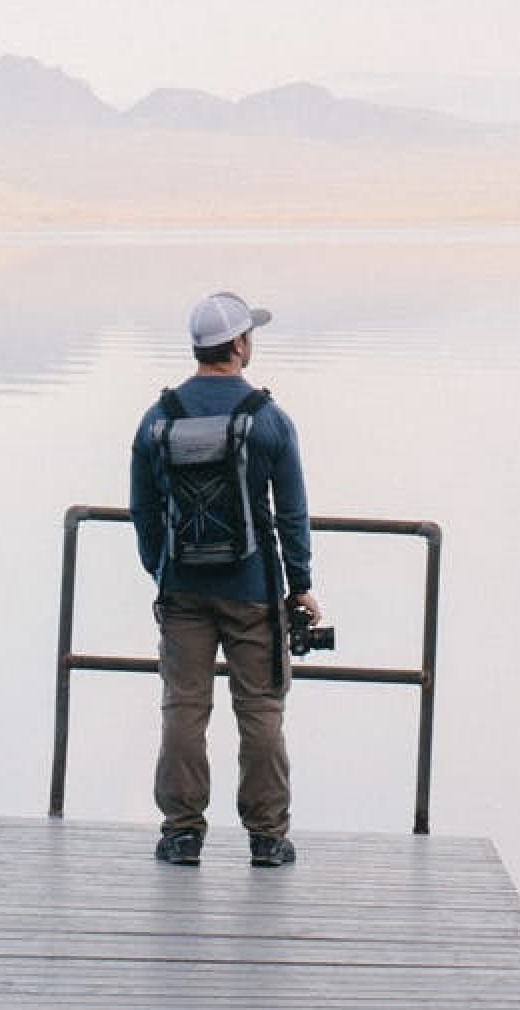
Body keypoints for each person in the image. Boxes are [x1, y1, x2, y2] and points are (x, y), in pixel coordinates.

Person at [129, 291, 322, 868]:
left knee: (184, 709)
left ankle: (182, 833)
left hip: (182, 591)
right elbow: (290, 513)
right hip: (253, 590)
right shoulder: (267, 420)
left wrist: (162, 567)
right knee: (260, 711)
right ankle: (267, 837)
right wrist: (300, 583)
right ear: (239, 345)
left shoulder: (158, 418)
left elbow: (142, 510)